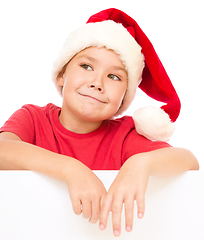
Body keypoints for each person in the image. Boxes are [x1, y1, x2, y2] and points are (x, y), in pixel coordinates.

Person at [0, 8, 199, 237]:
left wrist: (141, 164)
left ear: (124, 97)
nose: (97, 83)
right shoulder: (33, 118)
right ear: (61, 75)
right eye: (86, 66)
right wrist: (70, 169)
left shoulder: (124, 135)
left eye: (113, 76)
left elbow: (189, 161)